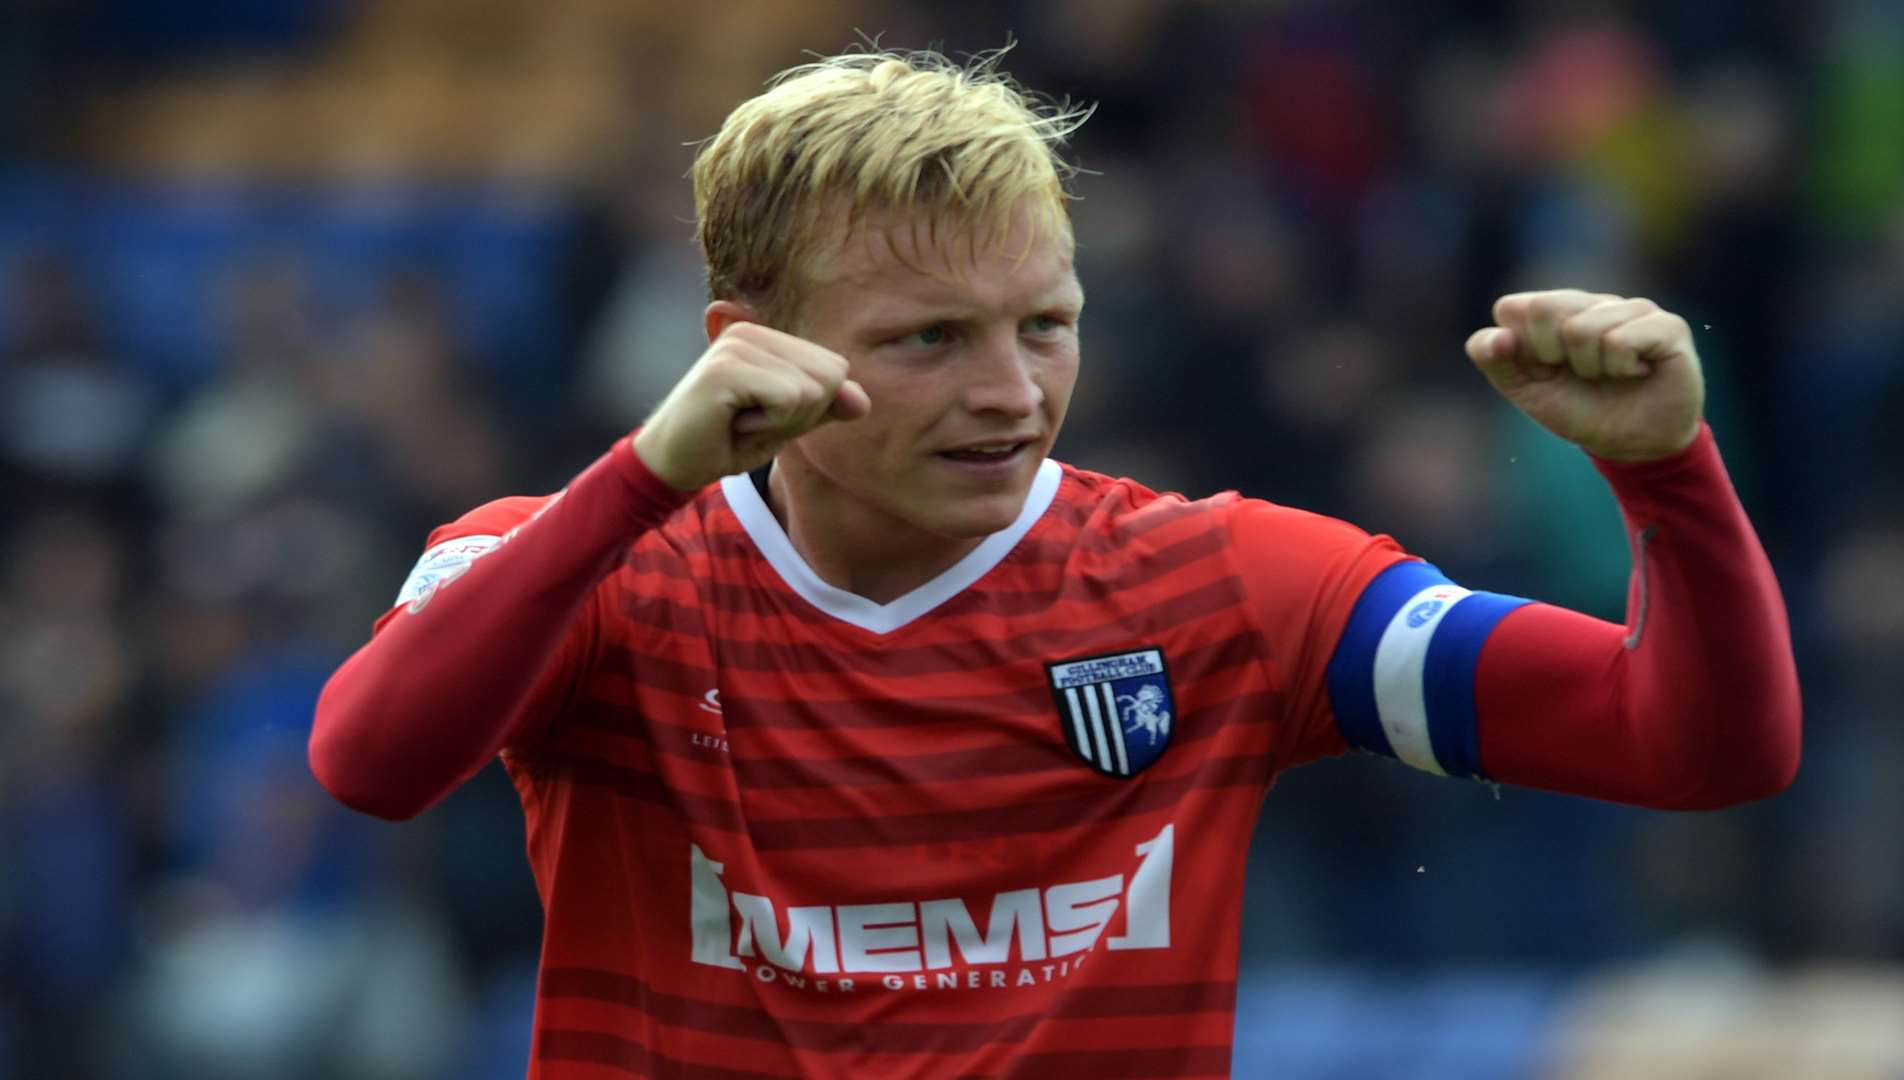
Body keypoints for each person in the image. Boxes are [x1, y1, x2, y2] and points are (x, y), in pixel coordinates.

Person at [309, 47, 1801, 1079]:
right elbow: (370, 762)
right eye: (929, 342)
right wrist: (639, 481)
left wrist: (1664, 468)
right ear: (744, 350)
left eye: (1047, 322)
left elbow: (1698, 746)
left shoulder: (1224, 587)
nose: (1013, 391)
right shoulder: (575, 568)